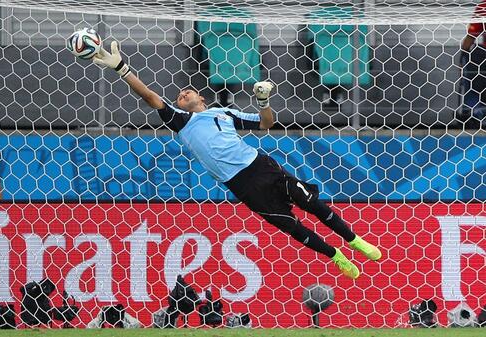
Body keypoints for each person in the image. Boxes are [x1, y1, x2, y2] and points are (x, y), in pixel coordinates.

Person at [77, 40, 381, 279]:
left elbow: (265, 124)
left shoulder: (225, 114)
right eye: (180, 95)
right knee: (292, 227)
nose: (182, 95)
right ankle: (336, 256)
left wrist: (263, 102)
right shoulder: (181, 121)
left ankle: (355, 241)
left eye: (187, 92)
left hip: (261, 167)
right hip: (242, 185)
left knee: (311, 204)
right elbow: (150, 97)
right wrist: (121, 68)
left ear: (203, 99)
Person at [460, 0, 486, 124]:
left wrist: (462, 57)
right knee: (476, 55)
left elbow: (471, 36)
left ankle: (474, 114)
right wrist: (463, 57)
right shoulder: (484, 5)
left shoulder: (484, 5)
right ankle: (474, 113)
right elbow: (472, 35)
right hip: (483, 56)